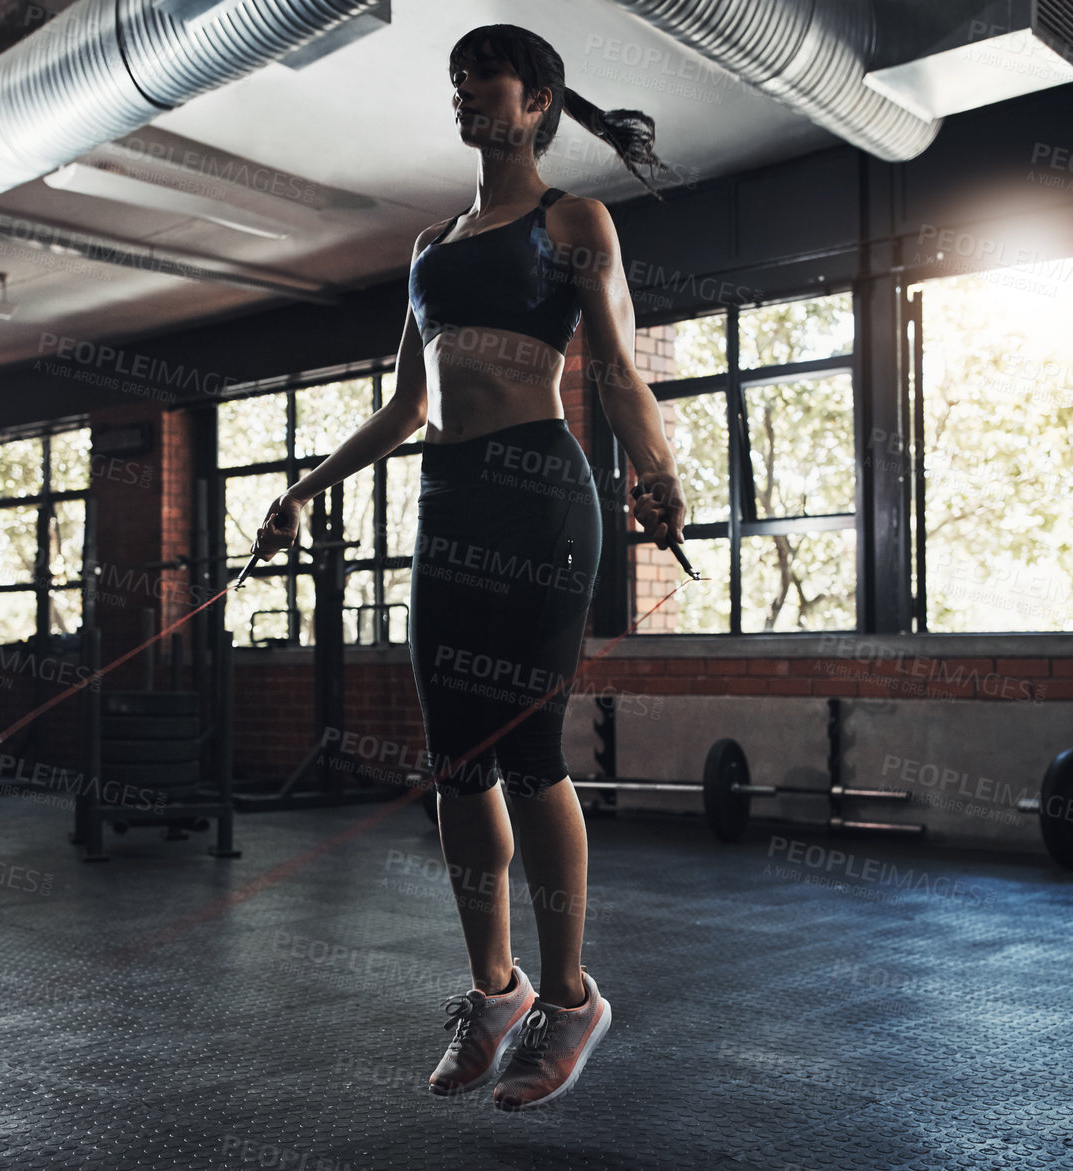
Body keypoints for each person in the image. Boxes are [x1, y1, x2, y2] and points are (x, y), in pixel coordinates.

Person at [250, 23, 687, 1112]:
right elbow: (405, 405)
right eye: (454, 86)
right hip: (447, 499)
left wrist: (658, 466)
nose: (464, 101)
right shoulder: (430, 246)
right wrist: (306, 486)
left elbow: (620, 372)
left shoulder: (571, 220)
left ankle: (571, 998)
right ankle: (494, 991)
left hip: (541, 491)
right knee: (454, 762)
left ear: (536, 99)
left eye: (481, 83)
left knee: (528, 751)